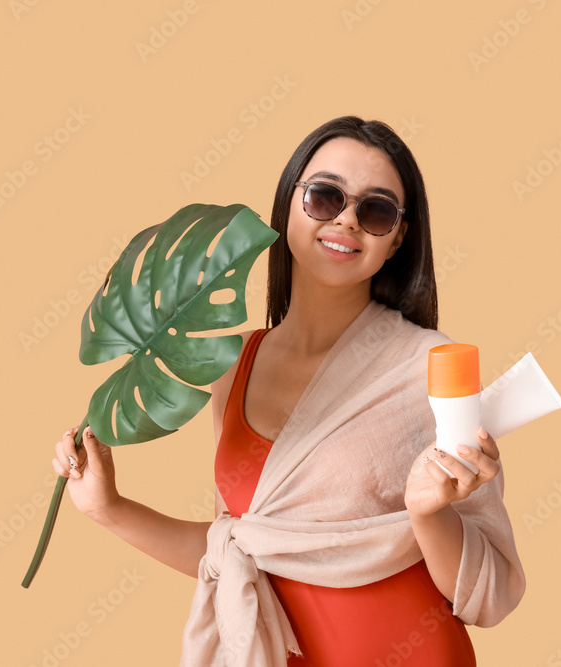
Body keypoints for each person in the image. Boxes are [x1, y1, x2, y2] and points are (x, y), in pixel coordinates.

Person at [51, 116, 525, 666]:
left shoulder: (430, 367)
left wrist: (427, 512)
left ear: (396, 237)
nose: (346, 220)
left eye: (375, 211)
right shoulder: (234, 365)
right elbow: (239, 550)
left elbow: (488, 596)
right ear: (289, 204)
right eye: (325, 196)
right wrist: (108, 508)